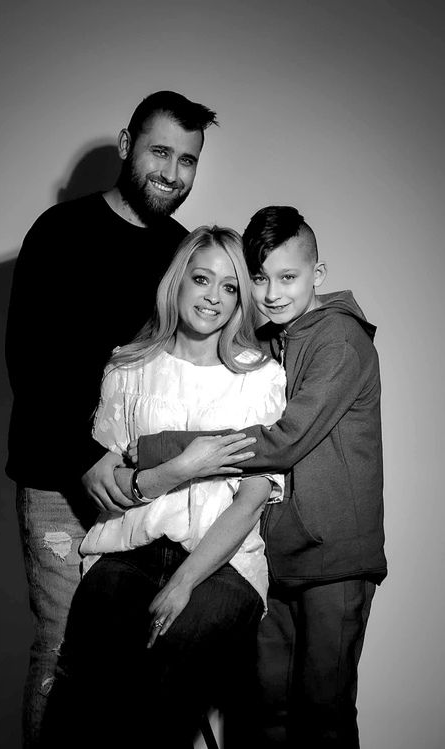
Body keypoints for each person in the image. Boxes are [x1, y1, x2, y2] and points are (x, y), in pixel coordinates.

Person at [5, 90, 221, 746]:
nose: (173, 173)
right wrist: (84, 458)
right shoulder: (60, 232)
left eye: (187, 160)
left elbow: (193, 364)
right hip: (59, 483)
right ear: (127, 147)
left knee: (136, 657)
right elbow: (29, 361)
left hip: (143, 489)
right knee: (63, 648)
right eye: (161, 152)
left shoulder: (184, 252)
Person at [136, 206, 387, 747]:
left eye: (287, 277)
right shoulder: (273, 342)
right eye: (259, 278)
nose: (272, 293)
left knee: (323, 715)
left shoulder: (339, 342)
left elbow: (284, 440)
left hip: (335, 559)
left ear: (318, 275)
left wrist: (160, 450)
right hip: (279, 556)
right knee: (264, 714)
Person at [41, 226, 286, 749]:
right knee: (86, 682)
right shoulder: (128, 367)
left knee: (170, 667)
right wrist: (183, 467)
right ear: (178, 282)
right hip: (129, 551)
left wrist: (183, 583)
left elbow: (252, 500)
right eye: (202, 279)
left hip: (222, 563)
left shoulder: (261, 378)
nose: (213, 297)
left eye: (230, 287)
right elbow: (108, 486)